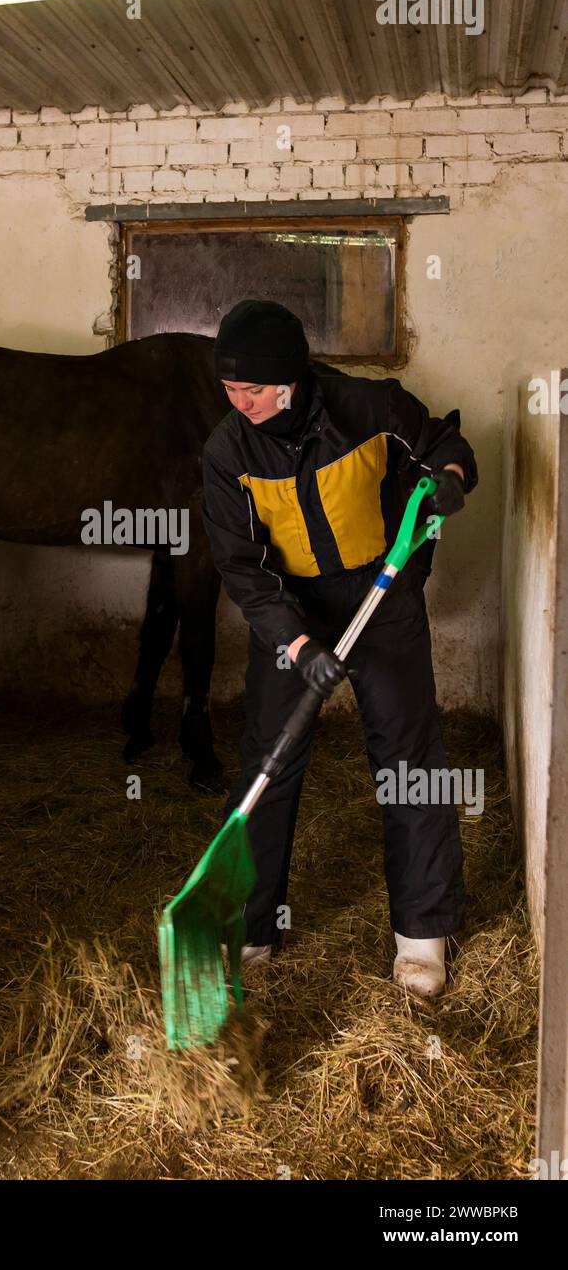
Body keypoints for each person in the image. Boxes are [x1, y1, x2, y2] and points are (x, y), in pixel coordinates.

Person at [201, 299, 477, 998]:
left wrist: (450, 481)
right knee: (271, 757)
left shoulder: (371, 407)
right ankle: (254, 931)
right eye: (230, 390)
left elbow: (447, 443)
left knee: (408, 755)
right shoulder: (228, 451)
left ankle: (422, 935)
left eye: (253, 389)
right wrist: (295, 642)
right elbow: (240, 565)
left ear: (291, 380)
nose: (241, 403)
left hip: (381, 598)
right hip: (290, 608)